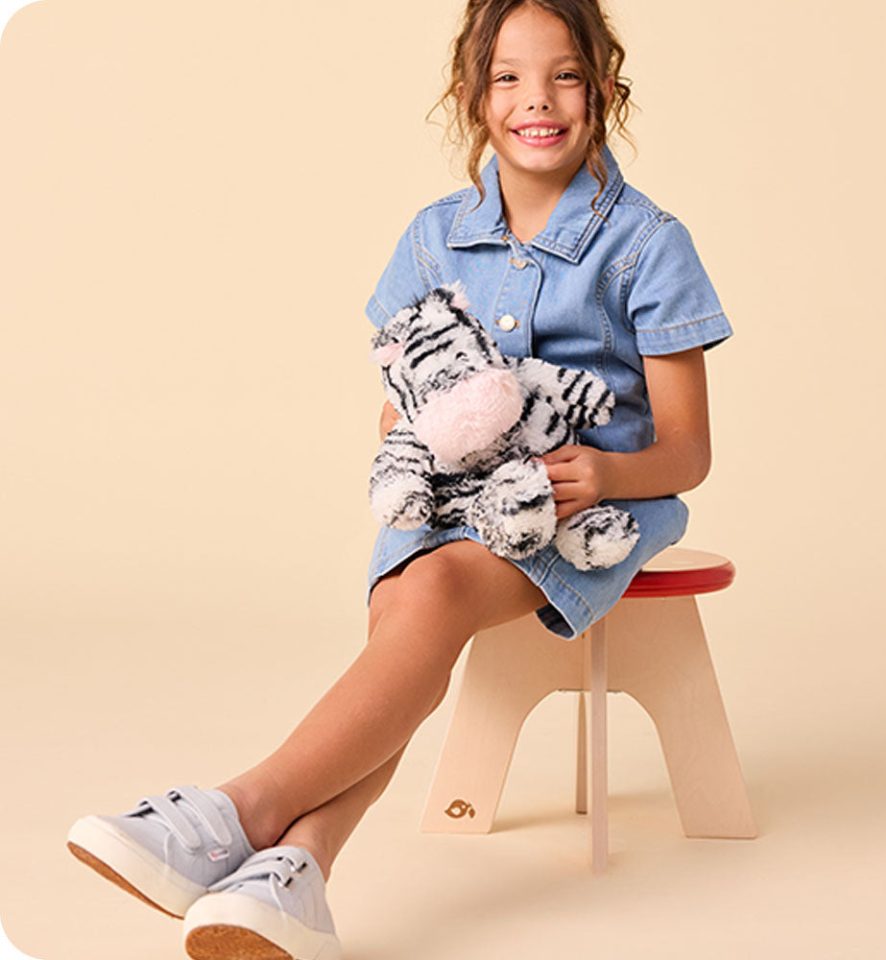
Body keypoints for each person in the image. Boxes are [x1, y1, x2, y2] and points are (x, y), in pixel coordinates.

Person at [66, 1, 733, 958]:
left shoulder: (649, 243)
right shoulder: (431, 238)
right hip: (447, 490)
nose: (537, 101)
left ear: (603, 90)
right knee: (410, 622)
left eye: (565, 76)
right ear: (472, 97)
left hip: (572, 507)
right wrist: (428, 430)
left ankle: (239, 811)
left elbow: (689, 454)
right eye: (507, 78)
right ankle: (297, 870)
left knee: (435, 591)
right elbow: (399, 400)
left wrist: (606, 470)